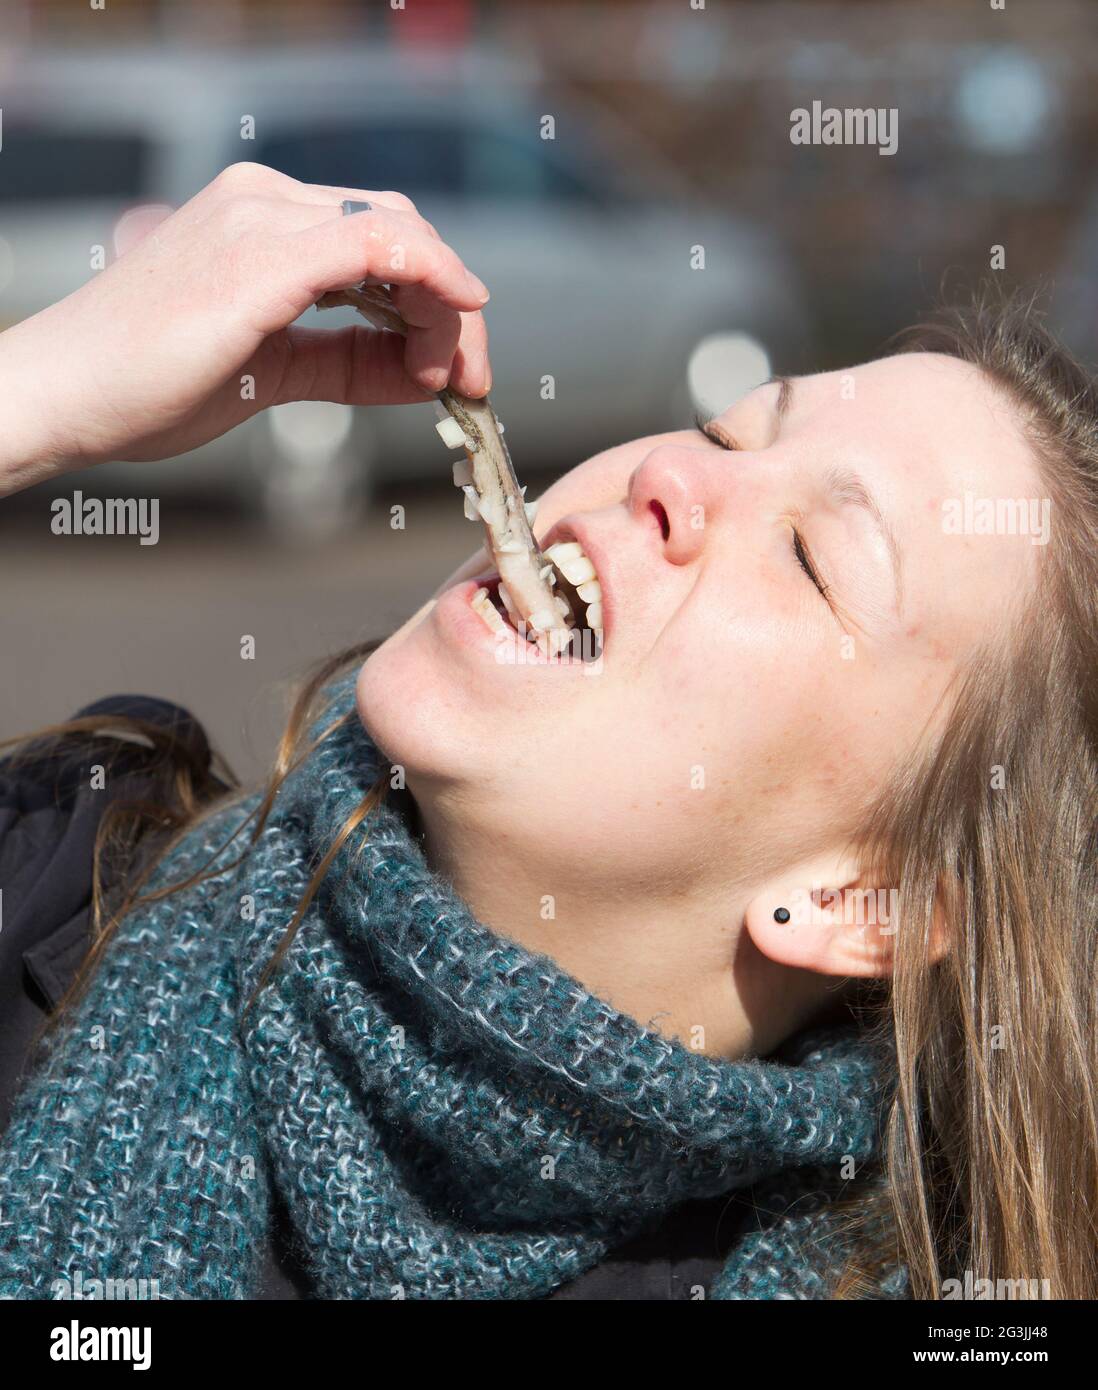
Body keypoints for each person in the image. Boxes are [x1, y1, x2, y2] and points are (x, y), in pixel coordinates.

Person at [0, 164, 1094, 1300]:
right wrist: (34, 396)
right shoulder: (47, 873)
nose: (670, 467)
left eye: (816, 559)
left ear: (865, 903)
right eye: (729, 432)